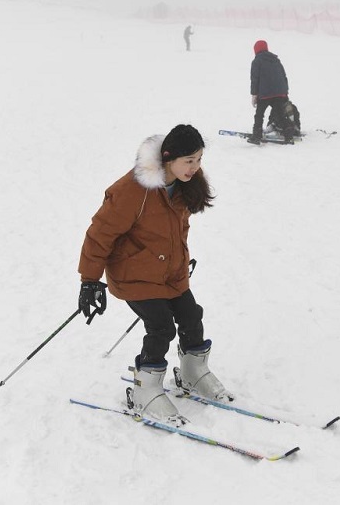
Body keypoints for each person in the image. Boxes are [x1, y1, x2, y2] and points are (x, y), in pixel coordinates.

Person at [77, 124, 232, 425]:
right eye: (189, 161)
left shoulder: (186, 184)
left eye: (199, 160)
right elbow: (100, 234)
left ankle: (192, 373)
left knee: (191, 315)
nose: (195, 167)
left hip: (169, 272)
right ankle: (144, 390)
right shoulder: (132, 190)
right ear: (169, 158)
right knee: (161, 327)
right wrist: (89, 280)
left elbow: (176, 230)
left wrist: (178, 260)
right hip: (133, 275)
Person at [248, 39, 295, 144]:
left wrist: (254, 94)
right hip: (279, 93)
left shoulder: (256, 61)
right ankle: (288, 134)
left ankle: (256, 135)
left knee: (259, 114)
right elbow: (283, 76)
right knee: (280, 114)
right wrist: (285, 92)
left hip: (265, 94)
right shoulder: (276, 60)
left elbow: (255, 79)